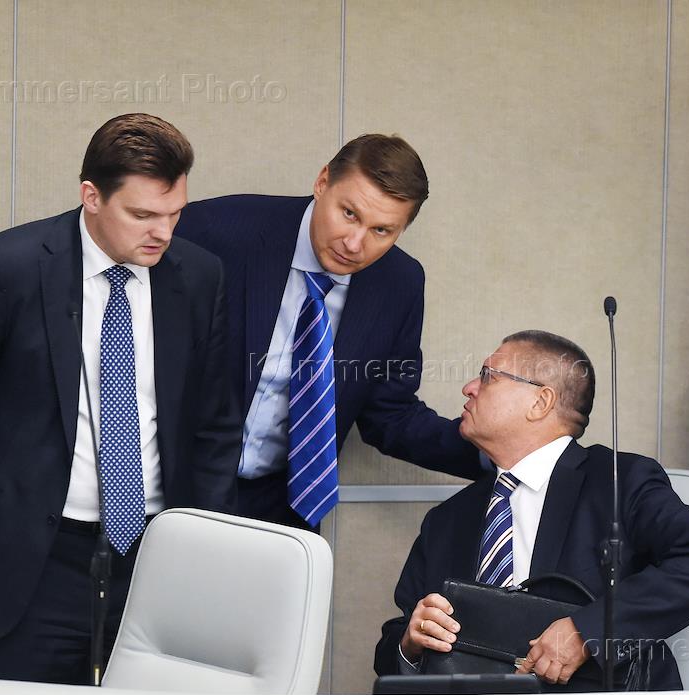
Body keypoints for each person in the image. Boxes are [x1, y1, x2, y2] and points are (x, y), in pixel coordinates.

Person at [0, 113, 242, 683]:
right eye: (142, 215)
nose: (162, 232)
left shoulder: (200, 276)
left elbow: (215, 423)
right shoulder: (10, 267)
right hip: (32, 562)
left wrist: (209, 546)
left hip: (156, 559)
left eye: (174, 214)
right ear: (92, 196)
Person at [374, 331, 689, 691]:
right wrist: (410, 643)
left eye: (487, 376)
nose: (469, 388)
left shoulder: (619, 482)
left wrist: (588, 631)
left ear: (540, 402)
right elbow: (392, 644)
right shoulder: (448, 518)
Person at [174, 134, 482, 530]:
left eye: (381, 230)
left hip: (281, 510)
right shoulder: (215, 231)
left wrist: (496, 451)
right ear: (322, 182)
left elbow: (390, 414)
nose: (354, 244)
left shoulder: (399, 284)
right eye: (349, 213)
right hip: (175, 487)